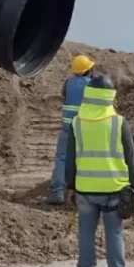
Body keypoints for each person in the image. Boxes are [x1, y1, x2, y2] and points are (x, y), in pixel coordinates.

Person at [64, 73, 134, 267]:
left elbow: (70, 158)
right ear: (110, 96)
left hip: (85, 189)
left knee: (86, 233)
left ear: (88, 95)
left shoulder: (77, 122)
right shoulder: (118, 122)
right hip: (113, 188)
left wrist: (70, 186)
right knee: (114, 233)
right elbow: (131, 158)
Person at [47, 54, 95, 205]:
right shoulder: (92, 85)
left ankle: (57, 193)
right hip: (85, 130)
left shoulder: (67, 83)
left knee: (62, 159)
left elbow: (64, 96)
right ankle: (83, 195)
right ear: (88, 70)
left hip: (67, 128)